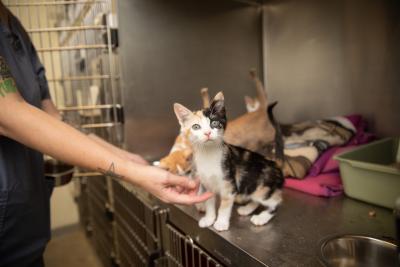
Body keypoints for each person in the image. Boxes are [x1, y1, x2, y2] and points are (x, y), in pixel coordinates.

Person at [0, 3, 212, 267]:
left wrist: (126, 157)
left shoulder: (13, 26)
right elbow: (9, 114)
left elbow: (51, 116)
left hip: (27, 225)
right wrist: (132, 173)